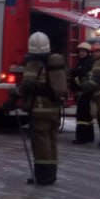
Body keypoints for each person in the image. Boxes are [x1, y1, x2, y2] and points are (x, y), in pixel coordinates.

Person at [14, 31, 67, 185]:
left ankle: (42, 176)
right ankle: (51, 175)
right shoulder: (54, 63)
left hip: (40, 109)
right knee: (51, 141)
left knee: (40, 142)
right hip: (54, 109)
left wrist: (14, 95)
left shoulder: (34, 64)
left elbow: (28, 85)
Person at [71, 41, 95, 144]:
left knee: (82, 116)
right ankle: (89, 136)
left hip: (85, 93)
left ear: (88, 52)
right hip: (84, 92)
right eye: (80, 51)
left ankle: (81, 137)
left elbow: (82, 78)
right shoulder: (82, 62)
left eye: (83, 51)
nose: (81, 53)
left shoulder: (87, 63)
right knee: (87, 116)